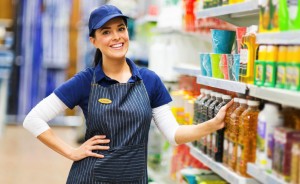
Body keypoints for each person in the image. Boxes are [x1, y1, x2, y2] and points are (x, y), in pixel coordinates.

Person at [23, 4, 233, 184]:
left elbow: (173, 134)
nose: (116, 37)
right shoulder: (86, 81)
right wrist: (71, 152)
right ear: (93, 41)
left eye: (120, 29)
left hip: (134, 178)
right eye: (106, 32)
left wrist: (212, 125)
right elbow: (33, 119)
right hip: (91, 177)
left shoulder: (149, 81)